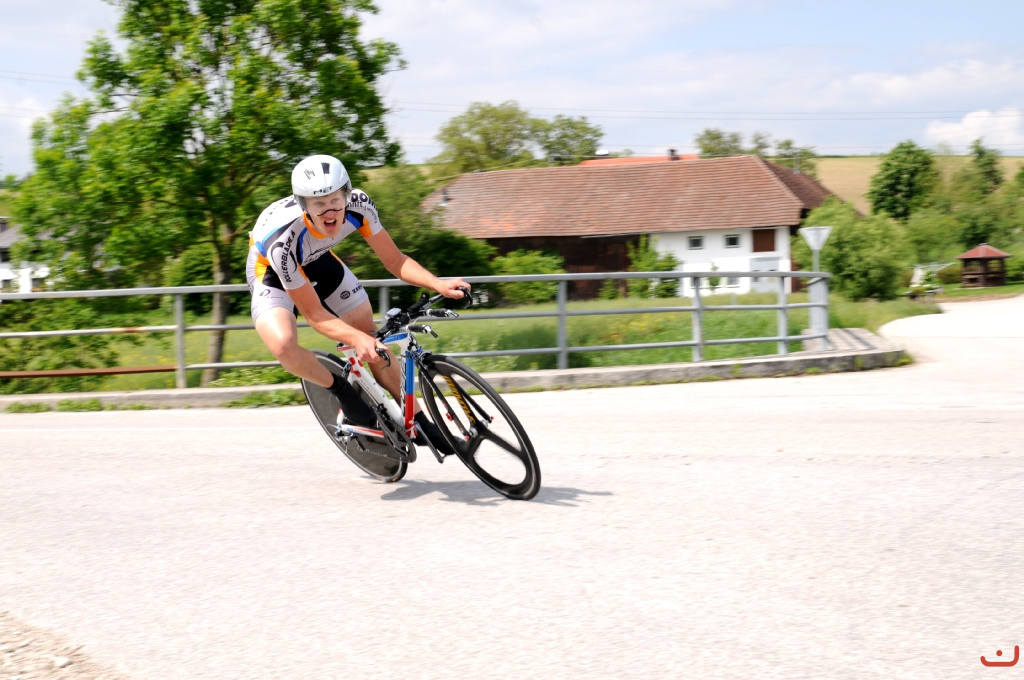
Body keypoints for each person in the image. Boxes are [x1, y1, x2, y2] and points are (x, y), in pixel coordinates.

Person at [246, 154, 469, 453]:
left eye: (335, 200)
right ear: (303, 205)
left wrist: (438, 283)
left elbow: (394, 260)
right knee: (284, 345)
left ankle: (417, 421)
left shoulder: (360, 205)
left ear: (347, 194)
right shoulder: (282, 241)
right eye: (318, 204)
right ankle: (340, 388)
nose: (330, 211)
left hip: (318, 260)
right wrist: (354, 339)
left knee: (372, 338)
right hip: (272, 271)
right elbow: (314, 314)